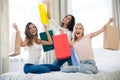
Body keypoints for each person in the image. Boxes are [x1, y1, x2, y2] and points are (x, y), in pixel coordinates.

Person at [44, 0, 75, 67]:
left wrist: (63, 35)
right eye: (66, 17)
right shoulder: (57, 28)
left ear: (70, 22)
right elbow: (49, 17)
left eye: (68, 19)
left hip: (69, 54)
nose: (66, 19)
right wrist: (48, 5)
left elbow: (72, 43)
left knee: (74, 70)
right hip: (61, 54)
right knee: (53, 67)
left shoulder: (71, 32)